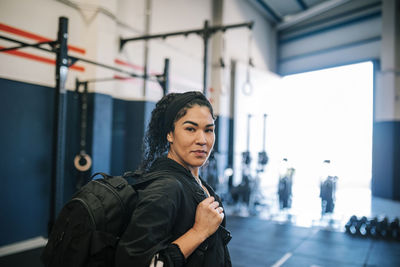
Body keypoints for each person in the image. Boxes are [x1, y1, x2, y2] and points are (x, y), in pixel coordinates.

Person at [115, 91, 232, 267]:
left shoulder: (199, 185)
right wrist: (198, 232)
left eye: (208, 130)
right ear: (170, 134)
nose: (202, 140)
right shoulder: (165, 189)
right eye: (190, 129)